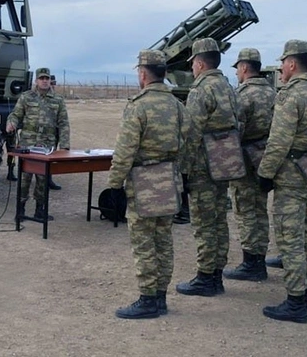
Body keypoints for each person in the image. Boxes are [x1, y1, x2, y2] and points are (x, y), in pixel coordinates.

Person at [109, 50, 192, 319]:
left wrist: (114, 184)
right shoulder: (178, 105)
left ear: (143, 74)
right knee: (164, 241)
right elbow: (187, 144)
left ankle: (147, 299)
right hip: (169, 179)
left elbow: (125, 150)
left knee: (144, 243)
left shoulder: (138, 106)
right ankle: (160, 298)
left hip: (144, 182)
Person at [258, 40, 307, 323]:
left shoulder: (292, 95)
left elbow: (278, 141)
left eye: (282, 63)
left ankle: (296, 302)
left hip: (292, 178)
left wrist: (266, 173)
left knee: (291, 241)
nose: (280, 68)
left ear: (291, 64)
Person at [176, 37, 238, 297]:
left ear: (200, 63)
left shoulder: (201, 90)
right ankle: (216, 275)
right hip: (224, 163)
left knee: (203, 223)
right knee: (219, 221)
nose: (192, 69)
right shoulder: (227, 86)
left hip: (203, 166)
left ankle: (205, 276)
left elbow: (190, 133)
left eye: (193, 64)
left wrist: (183, 170)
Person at [224, 48, 276, 282]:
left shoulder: (243, 95)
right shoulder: (273, 93)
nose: (237, 74)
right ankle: (260, 258)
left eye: (237, 69)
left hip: (246, 159)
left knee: (245, 211)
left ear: (244, 68)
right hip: (266, 158)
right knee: (260, 210)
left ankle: (251, 263)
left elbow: (237, 130)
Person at [6, 67, 70, 221]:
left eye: (47, 78)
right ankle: (20, 211)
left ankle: (39, 210)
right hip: (27, 143)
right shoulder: (26, 97)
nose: (44, 81)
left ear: (50, 80)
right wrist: (11, 123)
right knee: (24, 178)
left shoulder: (58, 100)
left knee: (43, 179)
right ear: (36, 81)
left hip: (46, 146)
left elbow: (63, 123)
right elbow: (15, 114)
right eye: (41, 78)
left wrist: (65, 146)